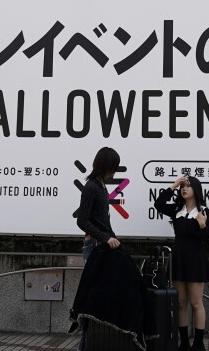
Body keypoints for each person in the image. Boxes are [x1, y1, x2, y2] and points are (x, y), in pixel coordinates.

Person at [71, 147, 143, 350]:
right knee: (92, 300)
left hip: (102, 246)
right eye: (112, 167)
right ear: (104, 166)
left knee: (99, 300)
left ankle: (91, 344)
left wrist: (110, 238)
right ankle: (84, 345)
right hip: (95, 247)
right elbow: (82, 221)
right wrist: (105, 238)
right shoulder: (92, 187)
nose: (114, 172)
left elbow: (99, 221)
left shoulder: (101, 186)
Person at [154, 175, 209, 351]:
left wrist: (203, 225)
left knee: (196, 303)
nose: (184, 188)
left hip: (196, 260)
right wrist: (173, 185)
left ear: (196, 189)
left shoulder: (204, 211)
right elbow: (158, 204)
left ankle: (198, 343)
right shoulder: (176, 209)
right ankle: (184, 342)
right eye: (183, 186)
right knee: (180, 303)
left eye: (188, 185)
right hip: (179, 259)